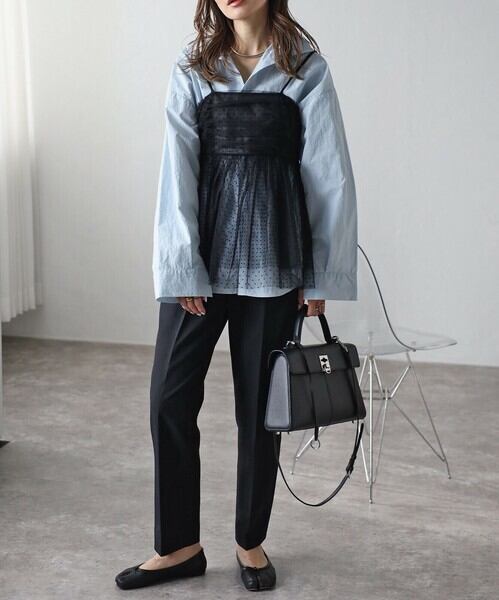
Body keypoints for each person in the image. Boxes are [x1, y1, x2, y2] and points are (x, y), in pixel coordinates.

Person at [115, 0, 357, 592]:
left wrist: (321, 278)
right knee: (168, 399)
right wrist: (181, 268)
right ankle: (179, 546)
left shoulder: (305, 69)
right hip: (200, 266)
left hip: (275, 262)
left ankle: (250, 541)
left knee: (259, 410)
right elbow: (177, 167)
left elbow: (327, 174)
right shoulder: (193, 66)